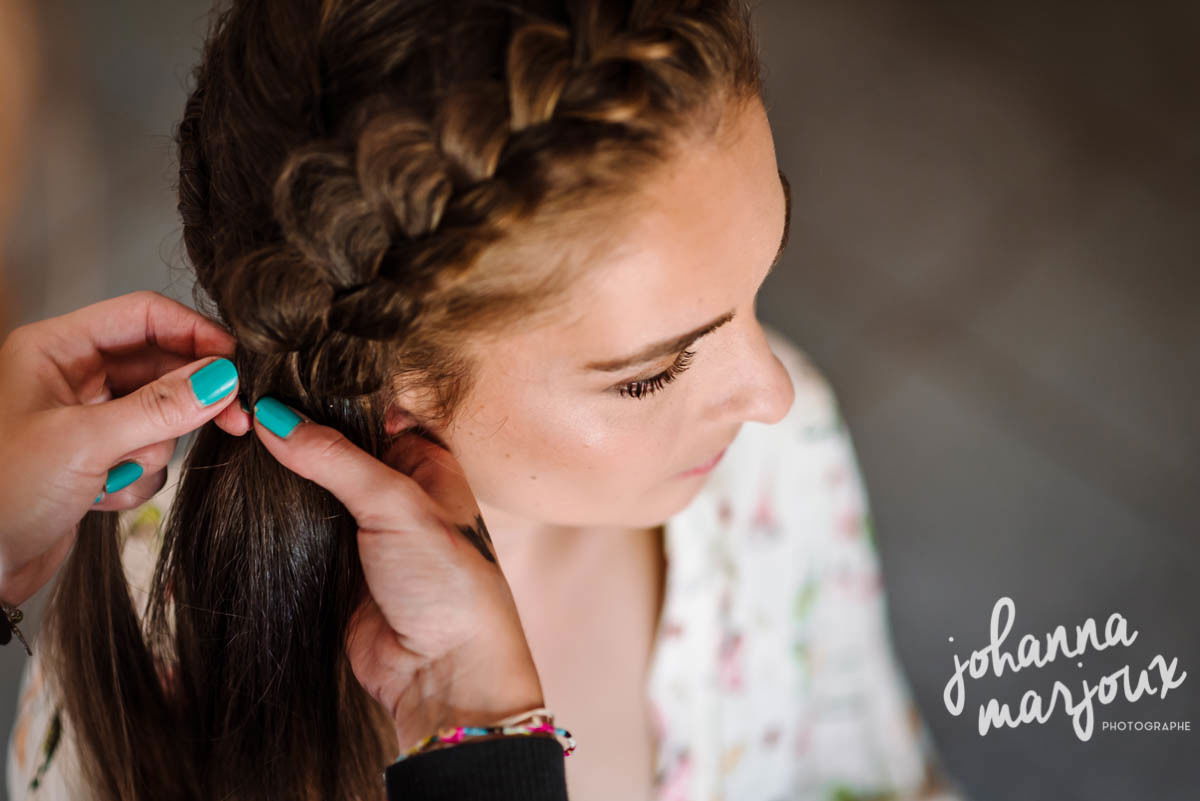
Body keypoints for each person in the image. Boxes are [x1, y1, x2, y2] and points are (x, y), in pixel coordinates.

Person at [5, 1, 970, 800]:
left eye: (755, 288)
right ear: (395, 379)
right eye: (651, 373)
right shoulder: (170, 636)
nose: (775, 391)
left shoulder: (778, 466)